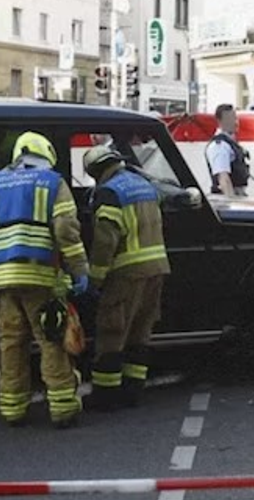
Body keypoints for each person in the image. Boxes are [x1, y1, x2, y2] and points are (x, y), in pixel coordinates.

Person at [0, 131, 89, 427]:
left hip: (1, 279)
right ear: (46, 155)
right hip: (40, 277)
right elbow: (65, 230)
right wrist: (79, 270)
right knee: (51, 340)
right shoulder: (51, 182)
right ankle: (62, 408)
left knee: (11, 343)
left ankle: (12, 409)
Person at [82, 146, 171, 411]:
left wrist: (94, 280)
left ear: (96, 171)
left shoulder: (109, 193)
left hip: (126, 273)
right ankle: (132, 391)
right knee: (140, 332)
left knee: (112, 332)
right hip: (157, 269)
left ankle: (106, 396)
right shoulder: (144, 185)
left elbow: (105, 241)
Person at [205, 103, 250, 197]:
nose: (235, 122)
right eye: (230, 119)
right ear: (220, 121)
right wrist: (233, 204)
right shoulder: (220, 146)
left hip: (238, 194)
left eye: (235, 118)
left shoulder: (230, 143)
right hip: (227, 197)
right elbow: (223, 178)